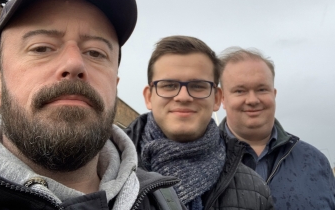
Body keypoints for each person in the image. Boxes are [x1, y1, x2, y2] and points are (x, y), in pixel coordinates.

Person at [0, 0, 185, 210]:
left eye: (95, 52)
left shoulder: (163, 200)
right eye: (42, 48)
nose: (74, 64)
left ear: (114, 85)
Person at [125, 35, 275, 210]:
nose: (183, 97)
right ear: (149, 97)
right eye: (168, 85)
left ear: (217, 98)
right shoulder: (104, 171)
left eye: (198, 86)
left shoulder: (256, 191)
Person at [218, 47, 335, 210]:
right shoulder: (200, 161)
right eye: (240, 91)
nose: (252, 99)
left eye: (261, 89)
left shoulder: (315, 161)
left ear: (274, 94)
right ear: (222, 98)